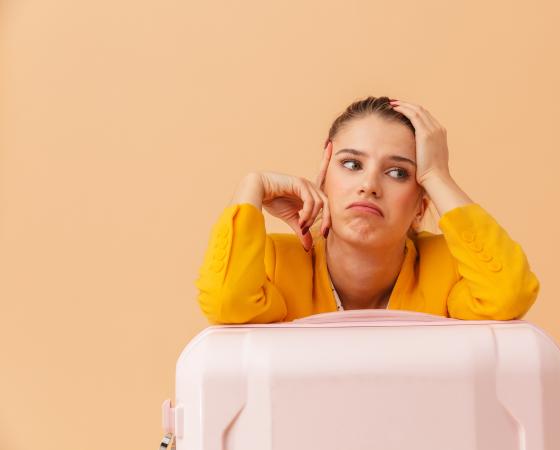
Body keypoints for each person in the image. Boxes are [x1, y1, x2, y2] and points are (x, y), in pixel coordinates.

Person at [195, 96, 540, 324]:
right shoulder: (273, 263)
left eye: (397, 172)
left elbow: (508, 294)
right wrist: (251, 187)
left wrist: (437, 174)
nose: (369, 185)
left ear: (420, 208)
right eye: (350, 164)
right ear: (323, 179)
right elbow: (227, 302)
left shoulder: (449, 269)